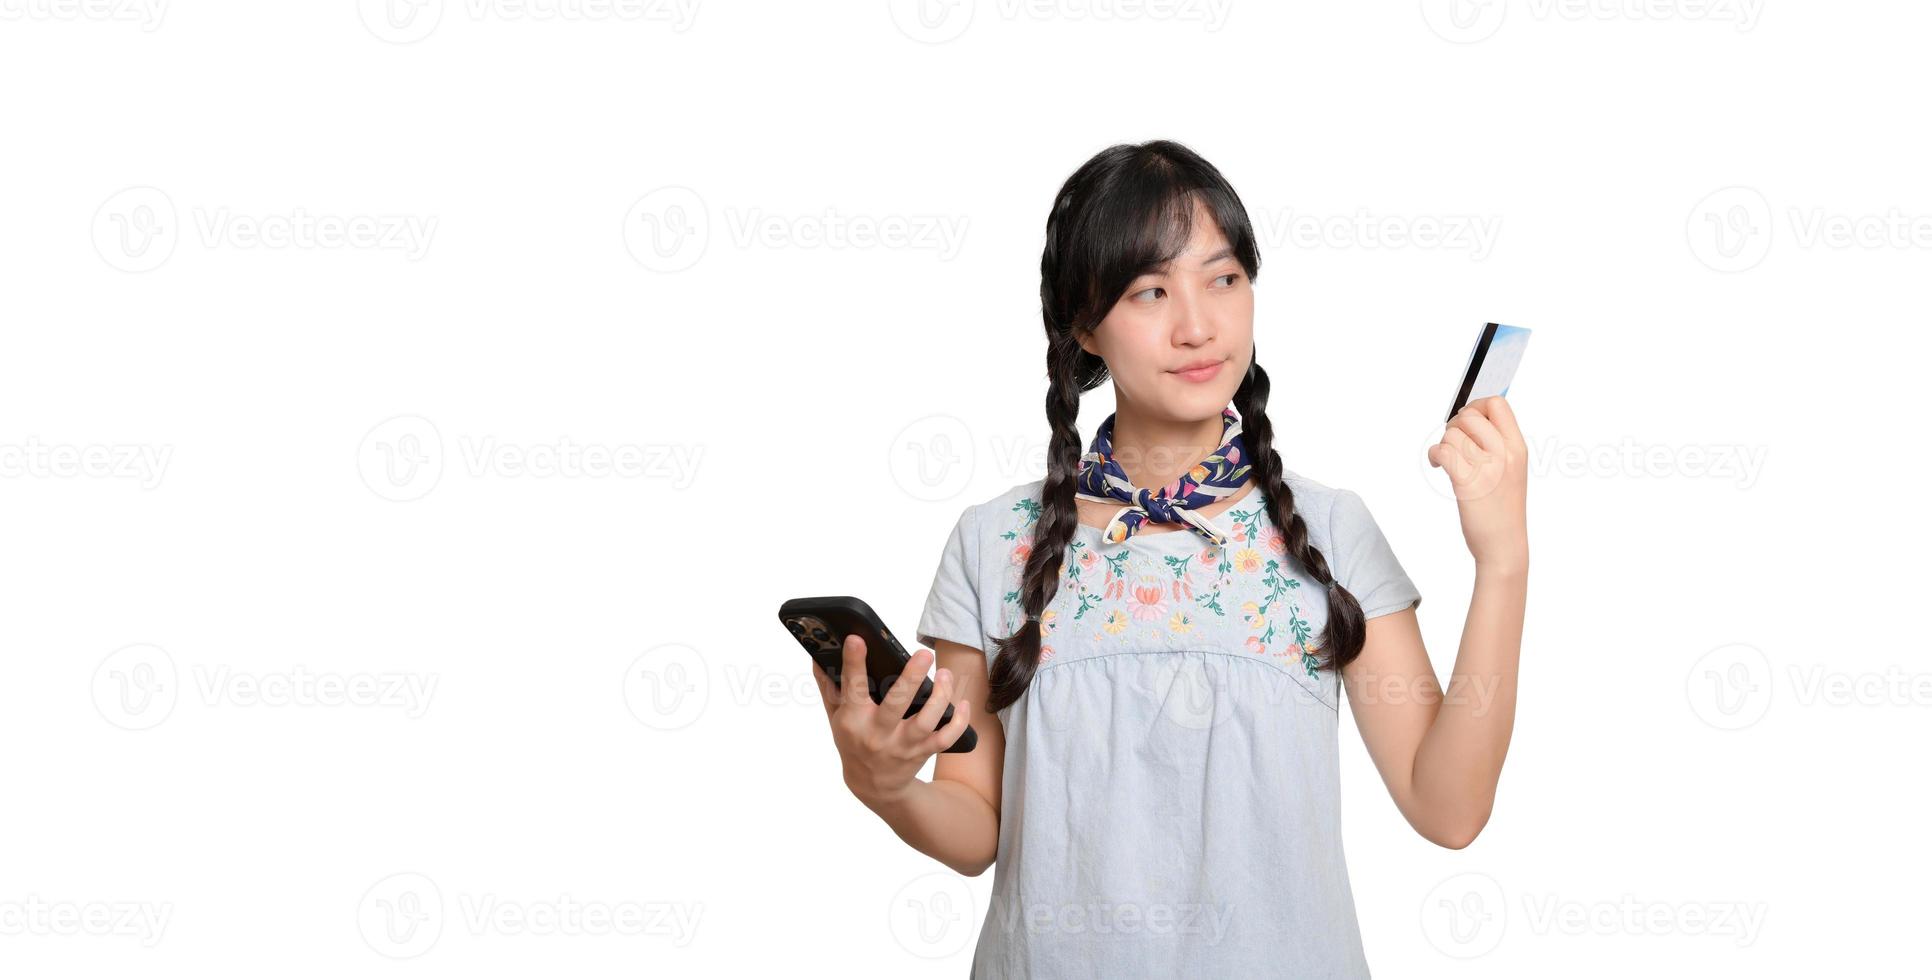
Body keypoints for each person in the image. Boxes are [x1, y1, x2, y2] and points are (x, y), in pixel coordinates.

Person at [810, 139, 1529, 977]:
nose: (1199, 325)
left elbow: (1448, 808)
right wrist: (886, 785)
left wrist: (1502, 560)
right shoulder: (995, 541)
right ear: (1084, 324)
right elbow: (976, 826)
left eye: (1223, 279)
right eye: (1151, 290)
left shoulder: (1331, 531)